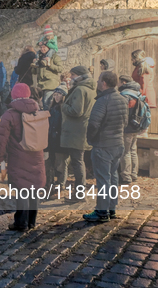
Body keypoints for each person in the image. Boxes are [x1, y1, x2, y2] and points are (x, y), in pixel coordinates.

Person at [0, 84, 46, 231]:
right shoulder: (38, 111)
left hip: (18, 157)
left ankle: (21, 223)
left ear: (14, 96)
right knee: (34, 189)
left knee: (22, 190)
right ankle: (31, 221)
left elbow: (2, 138)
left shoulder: (9, 114)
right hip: (36, 155)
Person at [83, 72, 128, 222]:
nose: (97, 83)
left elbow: (94, 124)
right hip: (118, 144)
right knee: (113, 177)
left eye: (98, 80)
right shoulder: (122, 99)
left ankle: (102, 211)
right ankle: (111, 208)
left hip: (103, 145)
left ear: (104, 83)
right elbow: (125, 122)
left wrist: (91, 139)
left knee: (103, 179)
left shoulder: (103, 101)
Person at [60, 66, 96, 198]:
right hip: (81, 130)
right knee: (78, 161)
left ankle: (79, 193)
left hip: (76, 131)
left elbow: (76, 111)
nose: (71, 77)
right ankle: (79, 192)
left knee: (77, 162)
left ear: (81, 76)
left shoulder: (80, 89)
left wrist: (62, 105)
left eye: (73, 75)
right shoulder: (90, 89)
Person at [118, 75, 142, 184]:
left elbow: (123, 113)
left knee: (125, 152)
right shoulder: (137, 93)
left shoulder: (125, 95)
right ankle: (134, 173)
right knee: (133, 150)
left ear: (123, 82)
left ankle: (126, 176)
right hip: (136, 126)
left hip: (127, 128)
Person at [45, 85, 69, 189]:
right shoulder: (52, 108)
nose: (56, 96)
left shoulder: (64, 108)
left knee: (61, 163)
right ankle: (49, 182)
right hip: (51, 138)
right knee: (50, 162)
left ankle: (61, 183)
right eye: (55, 94)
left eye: (59, 94)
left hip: (60, 139)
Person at [31, 44, 63, 110]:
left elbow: (60, 69)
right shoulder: (39, 57)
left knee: (47, 104)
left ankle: (48, 119)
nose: (42, 49)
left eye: (44, 47)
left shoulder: (54, 57)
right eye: (41, 47)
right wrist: (34, 65)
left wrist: (49, 64)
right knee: (42, 105)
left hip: (50, 84)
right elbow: (34, 72)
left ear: (49, 48)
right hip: (41, 85)